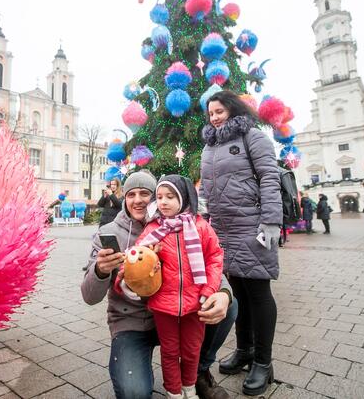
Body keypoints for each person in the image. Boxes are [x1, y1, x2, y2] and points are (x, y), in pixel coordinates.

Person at [81, 170, 236, 399]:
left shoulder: (187, 226)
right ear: (124, 198)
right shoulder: (108, 233)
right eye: (131, 194)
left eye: (145, 193)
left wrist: (223, 292)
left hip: (183, 310)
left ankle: (198, 373)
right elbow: (89, 296)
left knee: (230, 305)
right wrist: (100, 270)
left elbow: (207, 262)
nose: (138, 200)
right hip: (133, 321)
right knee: (134, 393)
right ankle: (168, 382)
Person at [200, 90, 282, 396]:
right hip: (222, 229)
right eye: (210, 113)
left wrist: (271, 220)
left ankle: (263, 362)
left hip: (253, 225)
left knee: (258, 291)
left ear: (232, 109)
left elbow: (269, 177)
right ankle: (245, 349)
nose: (215, 117)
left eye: (219, 111)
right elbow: (207, 188)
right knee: (237, 293)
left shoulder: (254, 137)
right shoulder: (209, 145)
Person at [123, 175, 223, 399]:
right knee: (169, 352)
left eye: (170, 197)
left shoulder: (200, 227)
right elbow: (134, 257)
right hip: (163, 304)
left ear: (185, 197)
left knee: (191, 350)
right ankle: (174, 391)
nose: (163, 202)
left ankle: (189, 386)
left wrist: (209, 290)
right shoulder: (153, 230)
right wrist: (127, 278)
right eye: (159, 197)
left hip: (196, 302)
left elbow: (215, 258)